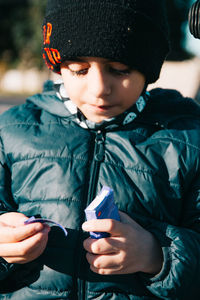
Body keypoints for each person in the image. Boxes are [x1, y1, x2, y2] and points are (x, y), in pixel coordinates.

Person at [0, 0, 200, 299]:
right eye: (80, 70)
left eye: (120, 69)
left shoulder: (186, 140)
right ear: (57, 63)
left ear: (149, 67)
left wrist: (157, 256)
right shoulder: (13, 131)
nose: (99, 89)